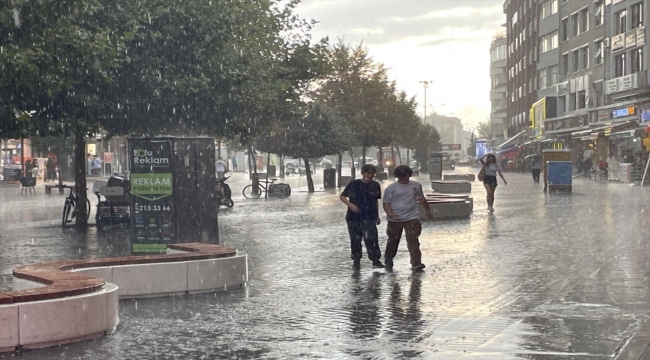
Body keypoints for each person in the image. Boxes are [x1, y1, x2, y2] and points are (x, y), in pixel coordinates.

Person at [382, 165, 434, 272]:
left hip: (412, 217)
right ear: (397, 177)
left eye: (406, 176)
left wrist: (428, 211)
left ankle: (416, 263)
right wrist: (391, 214)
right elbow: (386, 203)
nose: (405, 179)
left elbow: (422, 199)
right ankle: (388, 259)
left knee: (413, 240)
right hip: (395, 219)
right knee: (393, 241)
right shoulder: (391, 188)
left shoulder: (416, 186)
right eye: (402, 177)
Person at [340, 164, 384, 269]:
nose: (370, 176)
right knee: (355, 239)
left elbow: (375, 202)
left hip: (370, 216)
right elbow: (342, 196)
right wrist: (350, 205)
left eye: (372, 174)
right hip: (353, 217)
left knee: (372, 239)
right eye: (368, 173)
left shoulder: (375, 185)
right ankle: (356, 260)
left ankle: (375, 260)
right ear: (363, 173)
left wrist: (377, 216)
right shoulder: (354, 184)